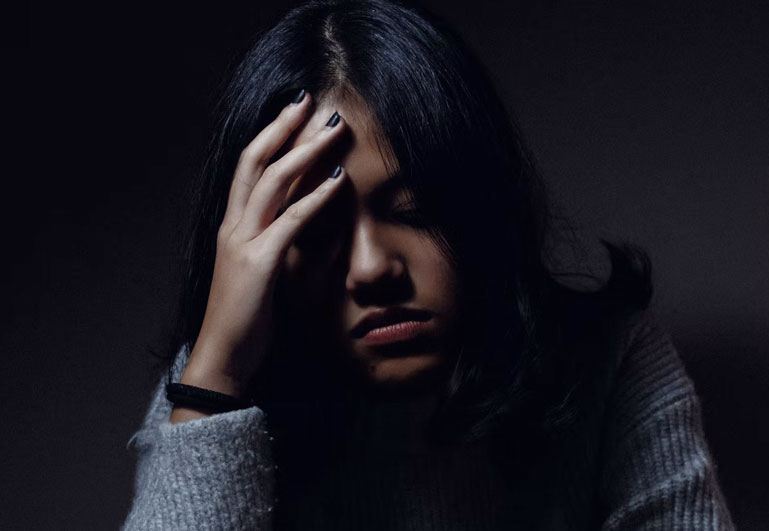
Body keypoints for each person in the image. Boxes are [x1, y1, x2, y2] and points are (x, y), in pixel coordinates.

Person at [121, 0, 736, 529]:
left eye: (416, 210)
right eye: (315, 229)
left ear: (485, 205)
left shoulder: (609, 360)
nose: (372, 268)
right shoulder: (214, 387)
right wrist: (214, 381)